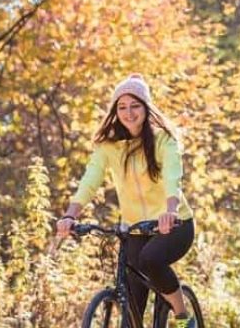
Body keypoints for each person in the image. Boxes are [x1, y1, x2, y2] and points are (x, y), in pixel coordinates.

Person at [55, 74, 196, 328]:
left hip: (175, 224)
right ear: (115, 111)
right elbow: (90, 181)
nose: (129, 113)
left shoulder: (164, 140)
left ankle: (183, 315)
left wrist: (170, 211)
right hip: (134, 228)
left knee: (150, 260)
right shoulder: (109, 146)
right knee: (132, 308)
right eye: (122, 107)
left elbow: (172, 177)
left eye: (135, 106)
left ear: (145, 107)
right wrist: (70, 215)